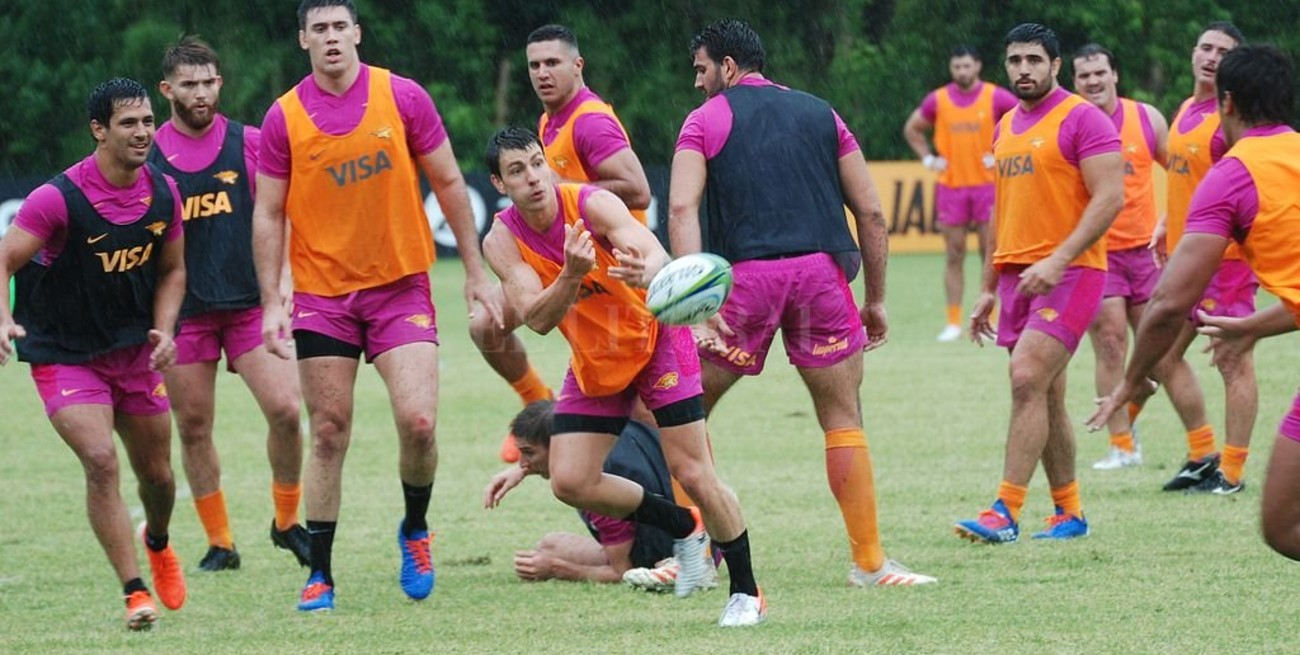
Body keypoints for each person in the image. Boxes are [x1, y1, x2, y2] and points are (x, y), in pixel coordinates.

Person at [668, 19, 937, 588]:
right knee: (842, 420)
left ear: (729, 67)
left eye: (701, 69)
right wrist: (878, 299)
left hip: (745, 282)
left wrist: (694, 304)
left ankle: (695, 554)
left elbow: (681, 211)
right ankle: (870, 564)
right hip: (821, 277)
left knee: (681, 413)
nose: (697, 83)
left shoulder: (705, 120)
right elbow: (870, 213)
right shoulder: (823, 113)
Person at [251, 0, 499, 612]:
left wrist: (474, 271)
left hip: (400, 289)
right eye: (320, 29)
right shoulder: (283, 118)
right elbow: (267, 212)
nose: (332, 38)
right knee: (329, 432)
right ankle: (321, 575)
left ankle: (415, 528)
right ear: (303, 39)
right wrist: (270, 300)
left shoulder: (403, 97)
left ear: (357, 33)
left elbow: (447, 183)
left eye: (341, 27)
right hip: (323, 297)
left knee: (419, 424)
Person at [482, 126, 762, 627]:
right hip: (596, 359)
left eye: (536, 162)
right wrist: (570, 274)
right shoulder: (501, 241)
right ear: (499, 184)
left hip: (655, 342)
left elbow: (651, 250)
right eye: (517, 171)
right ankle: (685, 526)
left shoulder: (591, 204)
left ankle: (746, 592)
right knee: (570, 480)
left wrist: (650, 271)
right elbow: (537, 319)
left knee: (693, 471)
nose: (533, 178)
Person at [1087, 45, 1300, 556]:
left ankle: (1225, 465)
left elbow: (1165, 305)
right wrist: (1252, 327)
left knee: (1283, 527)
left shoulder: (1231, 175)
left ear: (1227, 103)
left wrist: (1130, 385)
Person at [0, 78, 188, 629]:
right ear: (99, 130)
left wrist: (165, 329)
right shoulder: (57, 199)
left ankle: (156, 540)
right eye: (129, 123)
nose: (143, 132)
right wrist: (4, 318)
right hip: (64, 353)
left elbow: (174, 270)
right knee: (101, 461)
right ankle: (134, 592)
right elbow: (4, 259)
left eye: (149, 121)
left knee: (158, 477)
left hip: (133, 350)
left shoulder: (163, 193)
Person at [953, 23, 1123, 544]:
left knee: (1026, 376)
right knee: (1044, 395)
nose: (1023, 69)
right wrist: (986, 286)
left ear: (1055, 64)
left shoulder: (1084, 119)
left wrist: (1059, 259)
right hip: (1016, 277)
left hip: (1072, 274)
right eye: (1014, 60)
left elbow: (1109, 197)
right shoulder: (1005, 125)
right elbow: (1003, 212)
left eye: (1033, 60)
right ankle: (1069, 512)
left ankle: (1005, 510)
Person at [149, 36, 310, 572]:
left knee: (287, 412)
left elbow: (286, 211)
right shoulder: (148, 156)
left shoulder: (251, 141)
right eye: (189, 84)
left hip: (249, 304)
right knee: (193, 427)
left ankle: (287, 523)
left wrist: (285, 278)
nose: (201, 93)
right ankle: (221, 543)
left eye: (209, 82)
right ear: (167, 89)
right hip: (185, 313)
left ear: (220, 82)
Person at [471, 24, 654, 464]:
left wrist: (559, 187)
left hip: (611, 266)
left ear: (578, 65)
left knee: (650, 412)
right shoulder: (549, 122)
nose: (541, 73)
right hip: (562, 260)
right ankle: (537, 405)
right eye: (534, 65)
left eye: (552, 63)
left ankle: (689, 511)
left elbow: (638, 190)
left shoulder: (588, 122)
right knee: (486, 323)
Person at [1070, 44, 1210, 472]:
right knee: (1111, 345)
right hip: (1099, 255)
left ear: (1115, 74)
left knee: (1165, 354)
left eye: (1099, 73)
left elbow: (1184, 173)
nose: (1092, 81)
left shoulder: (1146, 118)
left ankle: (1204, 451)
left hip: (1149, 254)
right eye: (1084, 76)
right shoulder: (1071, 125)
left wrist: (1174, 220)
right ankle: (1122, 447)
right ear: (1074, 82)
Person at [1141, 21, 1254, 494]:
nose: (1211, 57)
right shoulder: (1186, 108)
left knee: (1233, 361)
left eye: (1222, 51)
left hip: (1225, 260)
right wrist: (1169, 220)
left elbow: (1248, 185)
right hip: (1189, 258)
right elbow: (1189, 179)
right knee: (1163, 357)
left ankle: (1232, 472)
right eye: (1205, 48)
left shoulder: (1233, 118)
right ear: (1192, 54)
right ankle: (1202, 454)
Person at [484, 400, 714, 591]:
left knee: (550, 546)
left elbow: (621, 572)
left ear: (556, 446)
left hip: (669, 553)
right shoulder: (614, 422)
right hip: (707, 541)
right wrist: (523, 470)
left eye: (528, 453)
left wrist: (555, 568)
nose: (522, 462)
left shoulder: (590, 483)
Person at [904, 46, 1017, 341]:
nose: (962, 72)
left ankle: (989, 317)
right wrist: (928, 159)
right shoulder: (938, 100)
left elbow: (1023, 119)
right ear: (951, 69)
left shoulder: (996, 96)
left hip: (987, 186)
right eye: (957, 67)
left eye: (967, 66)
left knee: (990, 254)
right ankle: (954, 321)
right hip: (951, 187)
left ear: (977, 66)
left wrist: (1003, 153)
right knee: (953, 254)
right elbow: (913, 129)